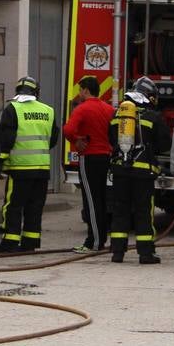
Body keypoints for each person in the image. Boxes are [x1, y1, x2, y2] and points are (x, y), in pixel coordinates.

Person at [107, 77, 168, 264]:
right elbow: (165, 143)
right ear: (149, 96)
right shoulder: (152, 116)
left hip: (120, 172)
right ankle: (145, 253)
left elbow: (111, 139)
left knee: (120, 211)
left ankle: (117, 253)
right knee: (144, 212)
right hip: (143, 174)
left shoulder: (118, 115)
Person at [0, 76, 59, 254]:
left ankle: (10, 242)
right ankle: (30, 242)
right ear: (36, 92)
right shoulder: (48, 110)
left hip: (19, 168)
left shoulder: (13, 108)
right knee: (35, 206)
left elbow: (6, 139)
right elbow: (53, 139)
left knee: (13, 206)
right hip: (42, 169)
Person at [62, 75, 113, 252]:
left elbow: (68, 130)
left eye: (80, 90)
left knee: (90, 200)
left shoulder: (82, 109)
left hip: (89, 157)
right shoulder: (108, 109)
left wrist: (76, 140)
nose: (79, 93)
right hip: (105, 157)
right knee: (101, 198)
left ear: (85, 90)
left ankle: (94, 241)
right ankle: (101, 237)